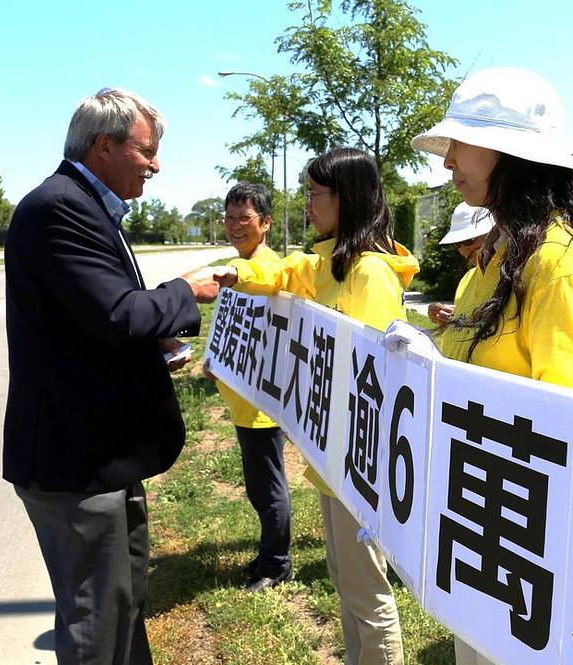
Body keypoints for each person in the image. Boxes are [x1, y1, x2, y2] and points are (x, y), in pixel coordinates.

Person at [405, 66, 573, 665]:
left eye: (460, 143)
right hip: (481, 516)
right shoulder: (501, 256)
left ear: (508, 153)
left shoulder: (557, 262)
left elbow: (569, 421)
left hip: (519, 539)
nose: (448, 160)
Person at [4, 88, 220, 664]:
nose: (156, 165)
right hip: (76, 462)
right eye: (148, 151)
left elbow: (89, 321)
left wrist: (156, 341)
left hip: (103, 455)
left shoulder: (85, 205)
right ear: (105, 145)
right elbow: (118, 314)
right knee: (95, 625)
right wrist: (188, 293)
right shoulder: (60, 207)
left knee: (121, 607)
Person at [214, 147, 417, 665]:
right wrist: (241, 277)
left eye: (315, 194)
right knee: (345, 581)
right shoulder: (328, 260)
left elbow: (373, 376)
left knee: (367, 593)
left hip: (358, 460)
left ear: (345, 198)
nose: (307, 204)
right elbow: (282, 275)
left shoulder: (368, 274)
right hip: (332, 456)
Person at [203, 183, 292, 593]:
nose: (235, 226)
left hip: (261, 406)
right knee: (258, 487)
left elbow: (269, 286)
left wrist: (239, 276)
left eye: (245, 218)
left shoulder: (263, 268)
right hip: (242, 401)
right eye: (229, 217)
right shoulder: (237, 266)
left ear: (266, 223)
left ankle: (276, 564)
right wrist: (215, 360)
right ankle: (267, 554)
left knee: (269, 488)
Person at [426, 202, 493, 326]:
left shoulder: (511, 276)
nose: (463, 250)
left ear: (492, 233)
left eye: (467, 241)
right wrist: (452, 314)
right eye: (457, 244)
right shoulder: (467, 279)